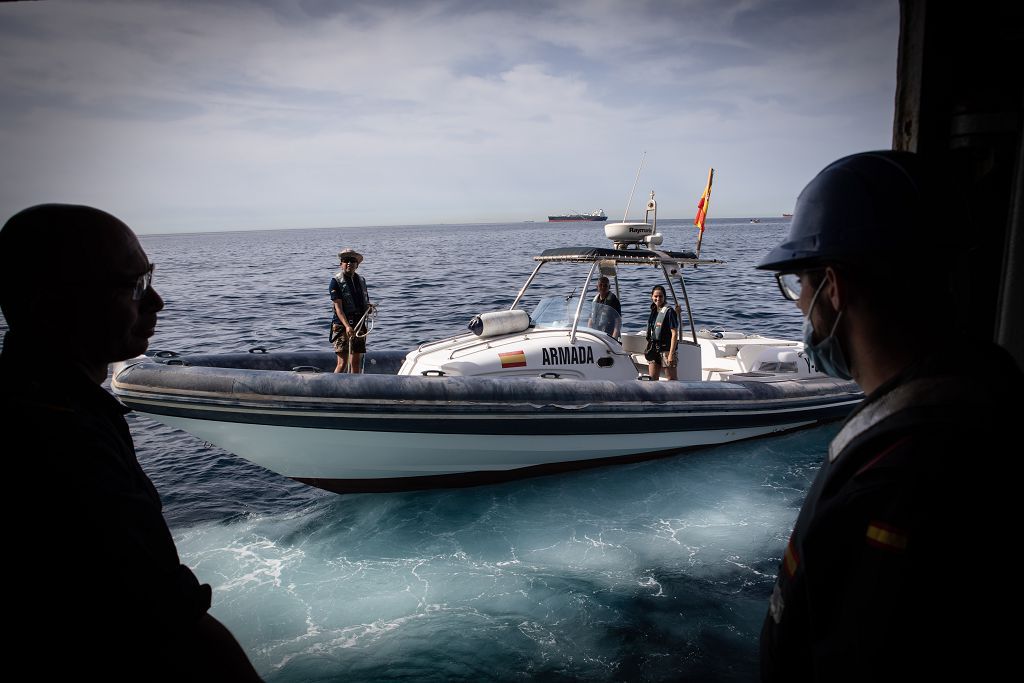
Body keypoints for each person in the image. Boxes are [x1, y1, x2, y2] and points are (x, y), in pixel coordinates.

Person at [756, 151, 1021, 682]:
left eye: (798, 286)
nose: (798, 303)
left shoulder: (899, 482)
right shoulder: (983, 397)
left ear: (832, 287)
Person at [0, 204, 262, 682]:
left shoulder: (56, 405)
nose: (157, 301)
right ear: (51, 304)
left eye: (151, 277)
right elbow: (165, 622)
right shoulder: (62, 442)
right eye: (134, 286)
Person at [329, 248, 371, 373]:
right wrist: (347, 326)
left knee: (355, 363)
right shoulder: (335, 282)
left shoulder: (361, 281)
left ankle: (354, 389)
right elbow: (338, 308)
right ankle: (334, 388)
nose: (349, 263)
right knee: (342, 363)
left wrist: (368, 308)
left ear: (357, 265)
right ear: (341, 263)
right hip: (342, 326)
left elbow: (364, 302)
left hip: (359, 324)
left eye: (352, 261)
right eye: (345, 260)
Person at [645, 284, 678, 380]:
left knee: (672, 379)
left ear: (664, 297)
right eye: (656, 296)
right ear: (652, 297)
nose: (658, 298)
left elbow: (674, 333)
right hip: (654, 349)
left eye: (660, 296)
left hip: (666, 350)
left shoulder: (669, 311)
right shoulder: (654, 310)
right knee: (652, 379)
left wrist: (671, 354)